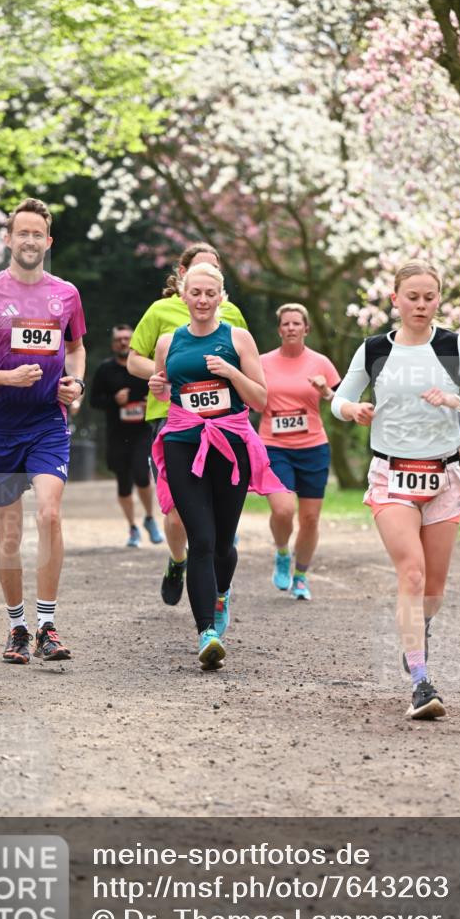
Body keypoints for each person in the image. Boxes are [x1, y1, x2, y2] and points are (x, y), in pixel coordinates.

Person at [332, 261, 460, 719]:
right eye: (413, 297)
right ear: (395, 299)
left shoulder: (454, 347)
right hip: (392, 476)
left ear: (438, 300)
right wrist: (353, 410)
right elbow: (338, 398)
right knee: (412, 573)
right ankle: (422, 683)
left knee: (434, 586)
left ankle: (415, 635)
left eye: (429, 297)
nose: (421, 305)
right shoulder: (373, 350)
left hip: (443, 477)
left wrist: (456, 401)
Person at [0, 198, 86, 665]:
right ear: (8, 239)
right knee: (9, 531)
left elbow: (77, 347)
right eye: (21, 233)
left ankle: (47, 625)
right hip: (0, 427)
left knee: (49, 514)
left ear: (48, 242)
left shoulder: (66, 293)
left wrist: (77, 383)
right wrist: (6, 378)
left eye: (37, 234)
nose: (29, 240)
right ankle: (16, 628)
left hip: (48, 422)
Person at [148, 262, 284, 669]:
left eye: (210, 293)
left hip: (231, 445)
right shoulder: (169, 340)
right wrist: (158, 386)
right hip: (183, 441)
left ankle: (221, 593)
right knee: (201, 540)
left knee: (224, 543)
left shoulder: (237, 338)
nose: (203, 300)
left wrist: (229, 373)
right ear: (183, 295)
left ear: (221, 296)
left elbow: (260, 399)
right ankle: (206, 632)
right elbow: (164, 386)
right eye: (196, 293)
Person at [128, 242, 247, 606]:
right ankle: (179, 560)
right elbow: (135, 361)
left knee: (215, 515)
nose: (204, 294)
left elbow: (246, 366)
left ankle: (210, 565)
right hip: (170, 416)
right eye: (197, 280)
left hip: (221, 423)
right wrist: (172, 377)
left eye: (214, 279)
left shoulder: (233, 316)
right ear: (182, 277)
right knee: (178, 514)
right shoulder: (161, 312)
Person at [259, 303, 341, 601]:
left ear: (306, 328)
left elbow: (341, 403)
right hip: (273, 446)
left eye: (297, 323)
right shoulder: (262, 362)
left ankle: (301, 576)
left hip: (313, 448)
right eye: (286, 323)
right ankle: (282, 552)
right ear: (279, 329)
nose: (291, 328)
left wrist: (326, 392)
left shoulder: (321, 363)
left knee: (310, 519)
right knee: (283, 510)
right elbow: (248, 396)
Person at [90, 324, 163, 547]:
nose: (123, 342)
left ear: (133, 342)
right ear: (113, 344)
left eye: (127, 339)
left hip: (143, 431)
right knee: (123, 482)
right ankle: (133, 528)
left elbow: (163, 390)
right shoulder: (105, 369)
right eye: (118, 339)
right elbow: (93, 400)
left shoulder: (143, 366)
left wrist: (148, 401)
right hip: (116, 433)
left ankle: (149, 518)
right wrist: (114, 400)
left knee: (142, 475)